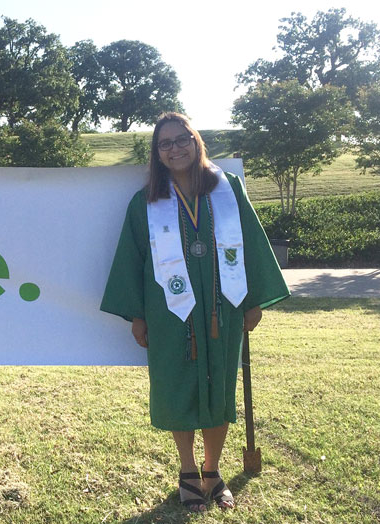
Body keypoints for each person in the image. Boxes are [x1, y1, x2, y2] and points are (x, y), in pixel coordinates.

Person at [100, 112, 289, 512]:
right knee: (178, 385)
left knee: (218, 383)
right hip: (170, 311)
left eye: (181, 138)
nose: (174, 148)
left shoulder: (227, 188)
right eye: (164, 143)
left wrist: (253, 299)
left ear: (195, 139)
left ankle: (212, 470)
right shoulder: (146, 201)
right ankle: (188, 471)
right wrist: (137, 314)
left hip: (224, 306)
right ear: (157, 153)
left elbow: (252, 243)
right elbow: (131, 260)